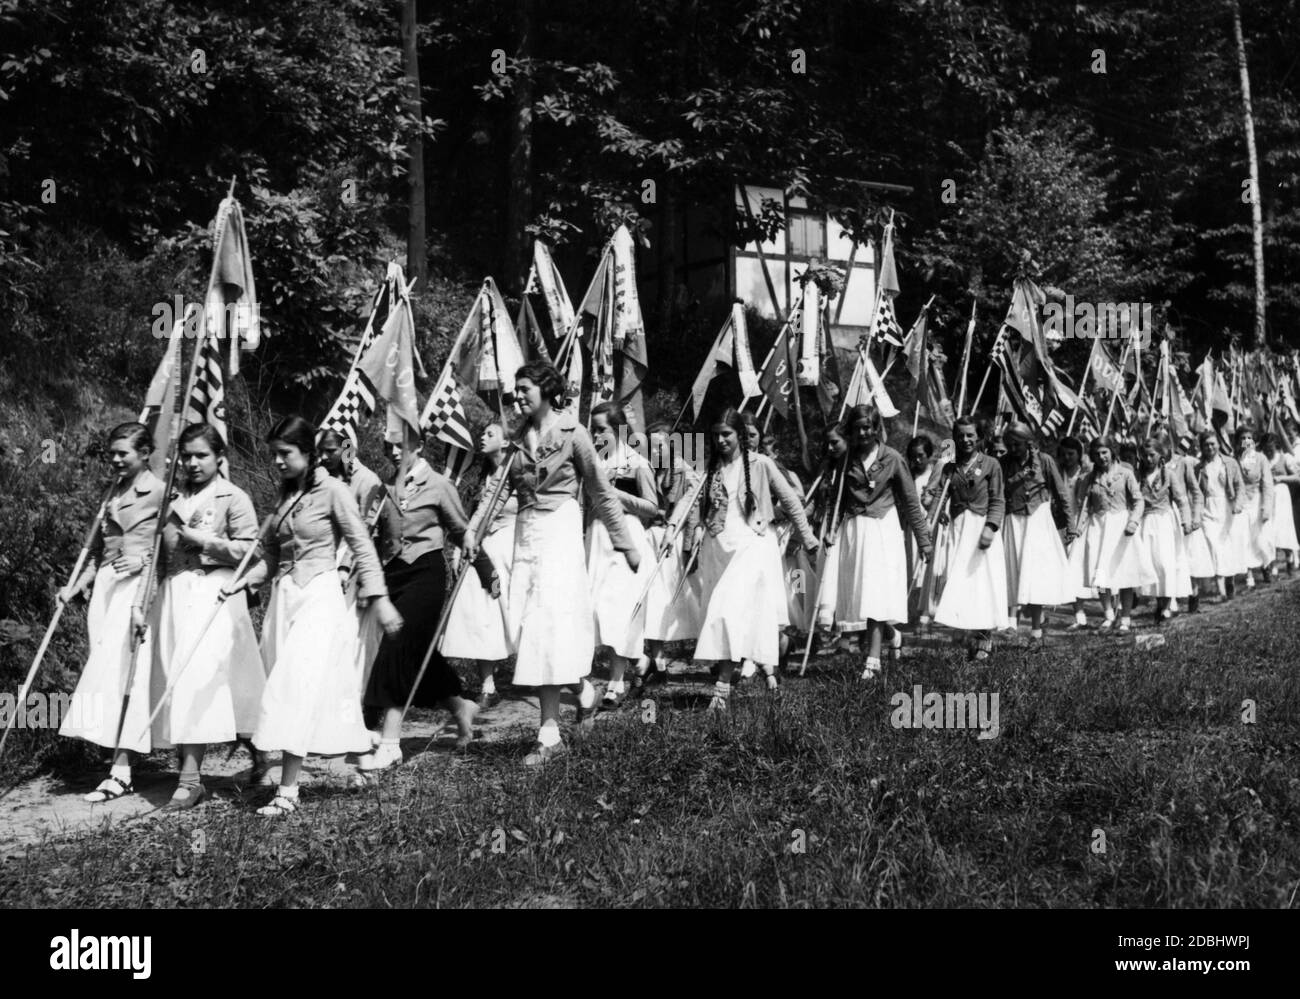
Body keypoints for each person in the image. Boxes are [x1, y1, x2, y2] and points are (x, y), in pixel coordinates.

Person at [239, 417, 402, 817]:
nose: (276, 461)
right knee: (320, 688)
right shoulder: (283, 495)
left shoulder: (334, 491)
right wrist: (246, 582)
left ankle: (288, 791)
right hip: (285, 598)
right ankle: (364, 751)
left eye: (285, 453)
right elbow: (273, 555)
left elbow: (363, 546)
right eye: (273, 453)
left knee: (296, 686)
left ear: (308, 454)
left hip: (320, 596)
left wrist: (379, 598)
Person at [506, 361, 640, 764]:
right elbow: (498, 489)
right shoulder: (519, 436)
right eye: (517, 389)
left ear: (546, 389)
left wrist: (626, 543)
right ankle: (584, 691)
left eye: (525, 388)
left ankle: (549, 736)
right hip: (525, 531)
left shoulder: (574, 432)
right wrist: (470, 535)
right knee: (528, 626)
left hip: (560, 529)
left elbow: (601, 491)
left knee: (546, 627)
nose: (518, 396)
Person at [360, 433, 497, 769]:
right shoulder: (383, 488)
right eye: (387, 446)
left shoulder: (438, 484)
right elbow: (372, 540)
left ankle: (390, 743)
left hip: (426, 573)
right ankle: (460, 706)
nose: (392, 451)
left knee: (397, 646)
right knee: (418, 653)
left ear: (417, 446)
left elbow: (462, 530)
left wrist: (487, 571)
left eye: (399, 444)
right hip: (393, 576)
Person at [148, 424, 267, 808]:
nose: (193, 462)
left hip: (214, 594)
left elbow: (252, 552)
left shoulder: (234, 497)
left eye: (201, 455)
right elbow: (159, 555)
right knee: (183, 679)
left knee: (197, 678)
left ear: (219, 457)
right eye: (187, 455)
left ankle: (190, 779)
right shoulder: (173, 497)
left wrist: (204, 541)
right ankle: (257, 749)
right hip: (174, 595)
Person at [57, 422, 166, 803]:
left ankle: (121, 771)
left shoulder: (160, 492)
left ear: (146, 452)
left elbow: (168, 547)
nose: (116, 460)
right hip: (105, 588)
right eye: (113, 453)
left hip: (136, 591)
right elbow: (96, 550)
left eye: (124, 453)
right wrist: (75, 586)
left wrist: (142, 560)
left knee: (126, 675)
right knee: (105, 674)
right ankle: (118, 762)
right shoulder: (111, 491)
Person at [694, 408, 816, 708]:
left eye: (727, 434)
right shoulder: (712, 468)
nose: (721, 440)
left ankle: (722, 687)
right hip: (718, 547)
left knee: (728, 612)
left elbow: (790, 499)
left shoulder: (760, 464)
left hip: (752, 544)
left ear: (739, 435)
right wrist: (676, 528)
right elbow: (692, 500)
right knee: (749, 615)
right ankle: (770, 673)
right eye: (716, 435)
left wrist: (807, 535)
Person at [835, 405, 932, 679]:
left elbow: (911, 502)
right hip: (854, 529)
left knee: (875, 593)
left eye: (868, 427)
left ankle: (872, 661)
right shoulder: (846, 459)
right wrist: (829, 528)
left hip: (882, 529)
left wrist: (924, 541)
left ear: (876, 428)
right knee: (861, 596)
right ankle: (891, 635)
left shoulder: (892, 458)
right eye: (857, 428)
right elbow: (837, 497)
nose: (863, 432)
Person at [318, 430, 401, 705]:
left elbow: (366, 531)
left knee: (354, 637)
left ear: (346, 448)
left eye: (331, 450)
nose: (324, 456)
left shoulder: (368, 481)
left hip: (355, 564)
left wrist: (352, 570)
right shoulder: (323, 476)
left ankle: (360, 702)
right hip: (326, 557)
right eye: (322, 450)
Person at [586, 402, 658, 710]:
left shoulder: (637, 462)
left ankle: (615, 685)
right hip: (596, 539)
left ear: (618, 430)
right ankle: (642, 662)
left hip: (627, 539)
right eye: (593, 430)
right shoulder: (590, 464)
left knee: (619, 611)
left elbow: (652, 507)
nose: (596, 435)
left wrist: (617, 495)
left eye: (602, 429)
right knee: (595, 610)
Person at [441, 422, 518, 708]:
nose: (481, 438)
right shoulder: (480, 476)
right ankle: (488, 683)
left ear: (507, 442)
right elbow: (470, 517)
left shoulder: (519, 471)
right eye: (481, 433)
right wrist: (461, 550)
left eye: (489, 434)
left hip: (515, 544)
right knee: (476, 605)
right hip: (485, 549)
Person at [927, 417, 1007, 660]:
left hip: (981, 529)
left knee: (982, 581)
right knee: (959, 579)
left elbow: (998, 499)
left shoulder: (991, 464)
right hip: (959, 528)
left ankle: (984, 637)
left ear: (979, 437)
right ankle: (968, 631)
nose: (965, 440)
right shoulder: (950, 466)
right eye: (960, 435)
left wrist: (991, 527)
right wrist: (934, 516)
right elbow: (940, 494)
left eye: (970, 435)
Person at [636, 422, 703, 692]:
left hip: (677, 539)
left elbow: (695, 508)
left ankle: (717, 656)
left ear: (670, 444)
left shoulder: (685, 471)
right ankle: (659, 660)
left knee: (692, 598)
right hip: (651, 537)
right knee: (652, 597)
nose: (655, 449)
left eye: (660, 444)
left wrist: (691, 542)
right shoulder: (647, 469)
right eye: (651, 445)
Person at [999, 422, 1076, 646]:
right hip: (1013, 519)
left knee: (1036, 576)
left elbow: (1062, 494)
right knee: (1013, 572)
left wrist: (1070, 525)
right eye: (1009, 444)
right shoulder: (1004, 463)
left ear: (1028, 442)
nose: (1013, 448)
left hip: (1038, 520)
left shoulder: (1044, 461)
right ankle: (1010, 623)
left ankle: (1036, 631)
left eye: (1017, 444)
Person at [1081, 436, 1154, 633]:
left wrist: (1133, 521)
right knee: (1100, 574)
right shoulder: (1090, 477)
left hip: (1121, 525)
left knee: (1124, 574)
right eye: (1096, 454)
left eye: (1104, 452)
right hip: (1098, 526)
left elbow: (1138, 501)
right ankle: (1108, 615)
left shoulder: (1125, 473)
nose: (1101, 457)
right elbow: (1083, 505)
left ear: (1112, 452)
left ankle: (1126, 618)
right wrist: (1078, 528)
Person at [1137, 437, 1192, 624]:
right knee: (1151, 564)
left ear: (1161, 455)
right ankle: (1159, 603)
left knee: (1165, 563)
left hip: (1165, 521)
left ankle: (1168, 605)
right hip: (1145, 522)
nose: (1148, 459)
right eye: (1145, 456)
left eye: (1152, 455)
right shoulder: (1139, 476)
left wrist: (1186, 521)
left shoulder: (1168, 474)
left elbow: (1181, 499)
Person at [1192, 431, 1245, 600]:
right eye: (1206, 444)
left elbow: (1239, 486)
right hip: (1208, 510)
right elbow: (1196, 492)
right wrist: (1197, 513)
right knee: (1214, 546)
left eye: (1213, 443)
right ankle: (1221, 590)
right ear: (1201, 447)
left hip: (1226, 507)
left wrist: (1237, 504)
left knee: (1226, 546)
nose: (1210, 447)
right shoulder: (1199, 468)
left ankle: (1229, 580)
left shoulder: (1229, 463)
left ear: (1219, 444)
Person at [1057, 436, 1094, 629]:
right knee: (1067, 571)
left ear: (1079, 454)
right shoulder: (1058, 473)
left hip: (1081, 525)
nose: (1067, 457)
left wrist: (1079, 526)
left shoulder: (1086, 475)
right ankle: (1078, 614)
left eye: (1071, 454)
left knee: (1079, 569)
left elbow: (1088, 504)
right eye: (1063, 454)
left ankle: (1110, 609)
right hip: (1063, 525)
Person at [1235, 427, 1274, 588]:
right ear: (1238, 441)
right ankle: (1249, 572)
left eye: (1249, 437)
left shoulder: (1261, 458)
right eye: (1243, 437)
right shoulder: (1235, 459)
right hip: (1242, 502)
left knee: (1261, 537)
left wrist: (1266, 507)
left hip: (1258, 501)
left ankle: (1266, 566)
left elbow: (1267, 484)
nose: (1246, 440)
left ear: (1254, 440)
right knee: (1244, 538)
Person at [1261, 433, 1300, 574]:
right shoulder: (1262, 459)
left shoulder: (1285, 458)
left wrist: (1281, 478)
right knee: (1270, 529)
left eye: (1270, 449)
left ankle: (1290, 559)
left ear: (1276, 446)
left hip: (1282, 495)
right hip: (1268, 496)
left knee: (1284, 528)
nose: (1268, 452)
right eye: (1266, 449)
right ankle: (1273, 564)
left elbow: (1297, 477)